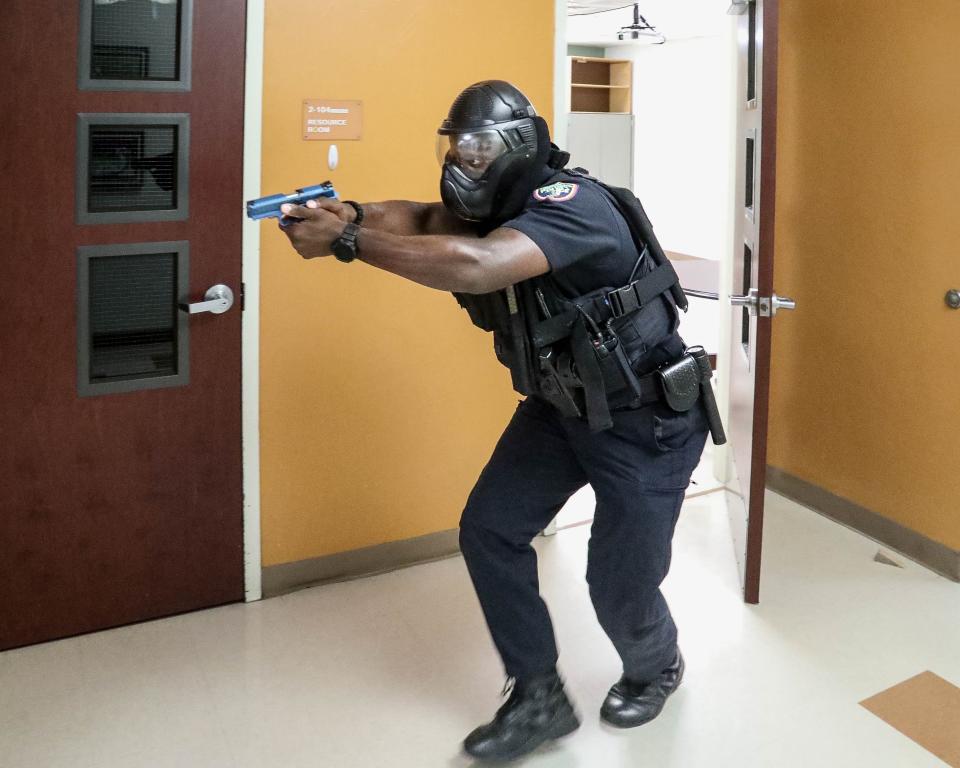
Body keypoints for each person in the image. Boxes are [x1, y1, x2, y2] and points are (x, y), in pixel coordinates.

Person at [279, 80, 712, 762]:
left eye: (477, 149)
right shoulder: (494, 210)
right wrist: (354, 211)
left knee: (617, 584)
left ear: (518, 147)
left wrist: (348, 242)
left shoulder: (574, 207)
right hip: (563, 408)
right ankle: (539, 695)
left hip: (645, 420)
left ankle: (656, 663)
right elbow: (424, 221)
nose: (461, 162)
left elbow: (477, 267)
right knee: (489, 529)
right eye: (455, 146)